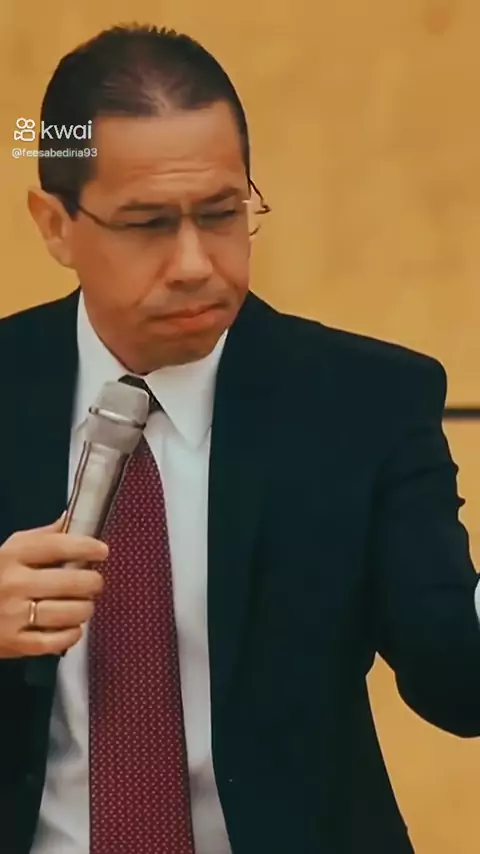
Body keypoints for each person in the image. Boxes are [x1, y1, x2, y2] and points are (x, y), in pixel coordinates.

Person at [1, 23, 480, 854]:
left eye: (222, 214)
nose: (195, 262)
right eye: (148, 223)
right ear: (56, 225)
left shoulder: (364, 402)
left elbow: (458, 682)